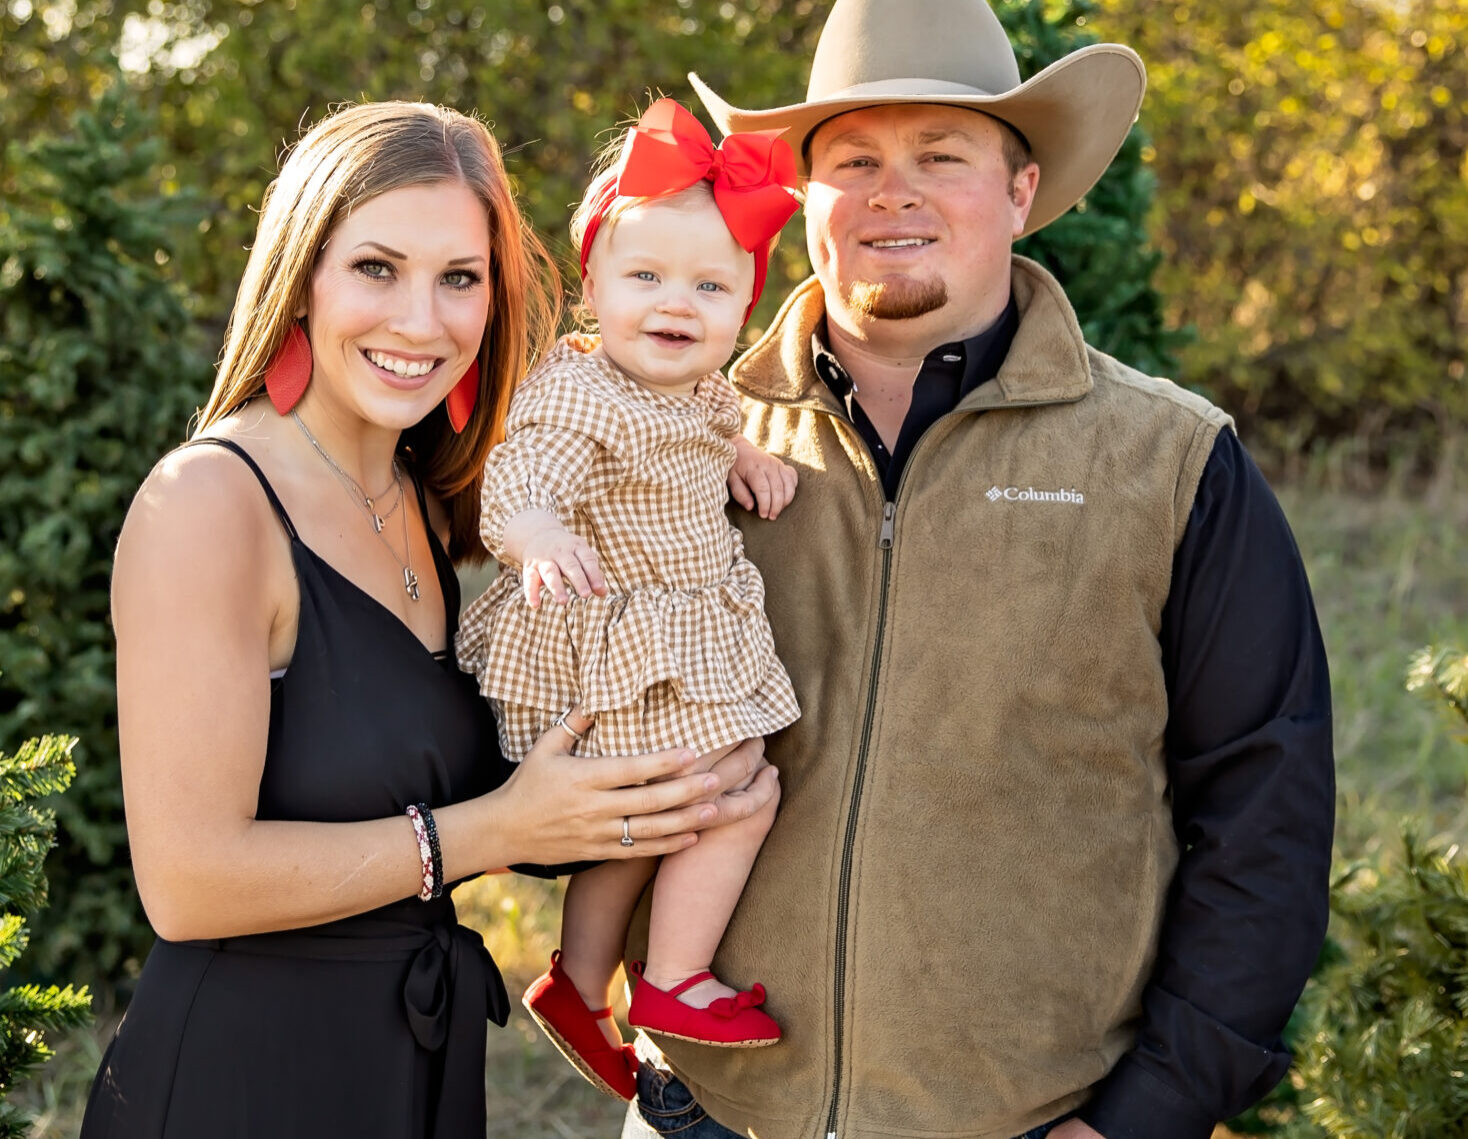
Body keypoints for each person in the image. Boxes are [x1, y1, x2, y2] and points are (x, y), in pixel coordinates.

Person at [619, 1, 1337, 1138]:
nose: (890, 192)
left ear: (1018, 190)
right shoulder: (669, 438)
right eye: (853, 159)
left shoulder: (1169, 461)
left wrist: (1146, 1114)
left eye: (939, 156)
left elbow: (1265, 815)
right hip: (701, 1112)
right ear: (804, 195)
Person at [77, 100, 778, 1139]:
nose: (421, 321)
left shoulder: (430, 500)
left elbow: (464, 788)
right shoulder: (210, 504)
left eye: (460, 278)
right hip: (249, 1082)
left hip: (419, 1070)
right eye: (375, 267)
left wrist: (658, 790)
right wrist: (498, 829)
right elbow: (187, 883)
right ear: (300, 276)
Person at [455, 99, 805, 1102]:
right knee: (736, 788)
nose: (675, 302)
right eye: (644, 275)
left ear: (744, 304)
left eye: (709, 283)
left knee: (651, 816)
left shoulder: (699, 392)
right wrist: (535, 536)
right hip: (615, 638)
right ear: (593, 282)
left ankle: (575, 979)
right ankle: (671, 981)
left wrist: (737, 454)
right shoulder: (581, 394)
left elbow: (693, 432)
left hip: (671, 633)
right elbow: (522, 477)